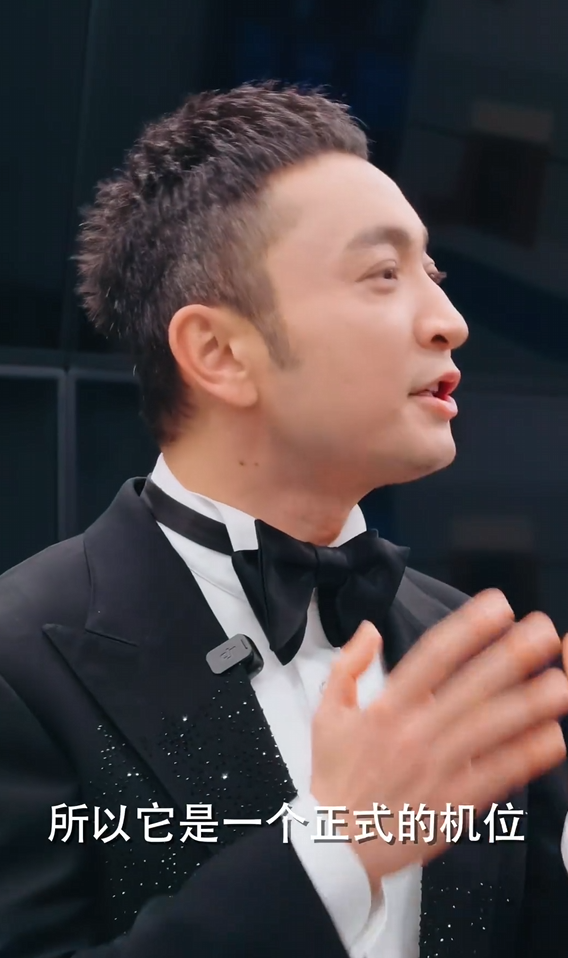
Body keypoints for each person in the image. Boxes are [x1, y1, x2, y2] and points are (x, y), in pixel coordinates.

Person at [1, 82, 568, 958]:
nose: (449, 322)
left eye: (434, 275)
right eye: (383, 275)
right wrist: (333, 852)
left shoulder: (473, 653)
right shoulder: (20, 661)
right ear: (220, 353)